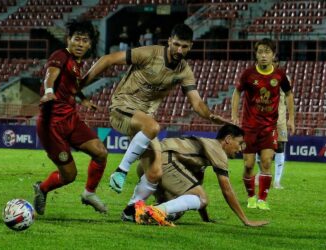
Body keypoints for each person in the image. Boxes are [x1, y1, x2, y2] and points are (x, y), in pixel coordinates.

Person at [81, 24, 229, 206]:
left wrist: (211, 116)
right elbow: (108, 59)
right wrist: (80, 86)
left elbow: (196, 103)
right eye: (176, 44)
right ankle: (121, 170)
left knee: (156, 171)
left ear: (191, 46)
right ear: (169, 41)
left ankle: (132, 210)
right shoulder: (150, 53)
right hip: (122, 107)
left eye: (184, 46)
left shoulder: (184, 71)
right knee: (152, 126)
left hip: (144, 120)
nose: (179, 50)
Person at [122, 124, 269, 227]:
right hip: (165, 160)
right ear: (228, 139)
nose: (241, 148)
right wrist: (245, 220)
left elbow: (197, 186)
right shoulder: (218, 150)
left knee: (178, 207)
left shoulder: (202, 152)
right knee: (200, 198)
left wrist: (205, 219)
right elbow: (227, 190)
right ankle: (153, 212)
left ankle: (132, 212)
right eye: (240, 143)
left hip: (148, 159)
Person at [33, 19, 108, 215]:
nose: (80, 44)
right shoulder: (60, 55)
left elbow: (72, 86)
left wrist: (83, 99)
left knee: (100, 152)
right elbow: (51, 74)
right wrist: (49, 91)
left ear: (90, 44)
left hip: (71, 118)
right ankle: (42, 189)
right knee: (69, 176)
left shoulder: (76, 64)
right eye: (77, 39)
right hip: (52, 125)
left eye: (85, 41)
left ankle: (89, 193)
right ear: (69, 39)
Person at [231, 38, 295, 210]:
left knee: (266, 162)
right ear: (256, 54)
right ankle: (251, 197)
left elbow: (289, 94)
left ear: (273, 55)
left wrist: (291, 118)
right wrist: (234, 115)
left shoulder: (279, 75)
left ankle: (262, 199)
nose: (263, 55)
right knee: (248, 164)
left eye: (267, 52)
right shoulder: (248, 74)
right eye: (260, 52)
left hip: (269, 127)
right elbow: (237, 92)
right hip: (249, 127)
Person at [256, 89, 289, 189]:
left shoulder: (286, 87)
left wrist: (291, 119)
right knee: (260, 147)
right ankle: (261, 172)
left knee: (280, 147)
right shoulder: (265, 84)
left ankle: (277, 181)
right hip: (264, 120)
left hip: (280, 122)